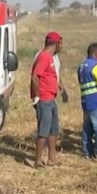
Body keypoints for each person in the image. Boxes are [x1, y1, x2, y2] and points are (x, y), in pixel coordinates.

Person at [29, 31, 63, 167]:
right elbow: (35, 77)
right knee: (43, 130)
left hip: (51, 97)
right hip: (44, 99)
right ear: (55, 43)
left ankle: (52, 158)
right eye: (60, 43)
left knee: (53, 129)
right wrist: (37, 96)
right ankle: (38, 160)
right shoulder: (44, 57)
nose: (62, 46)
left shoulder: (51, 57)